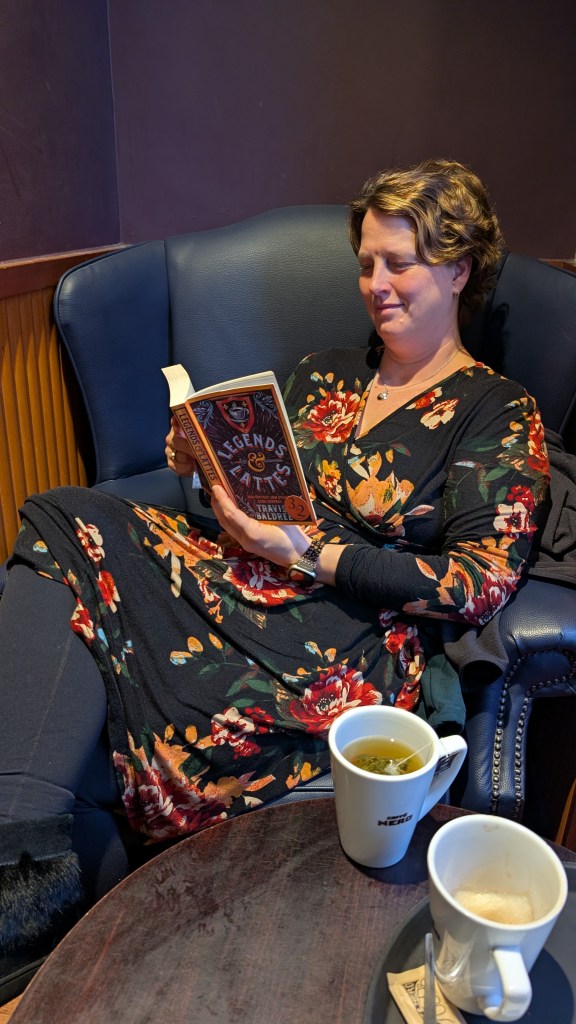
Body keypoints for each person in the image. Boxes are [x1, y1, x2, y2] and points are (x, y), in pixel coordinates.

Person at [0, 158, 550, 996]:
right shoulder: (323, 373)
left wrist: (311, 554)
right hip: (239, 571)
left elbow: (477, 582)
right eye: (366, 264)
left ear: (459, 267)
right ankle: (22, 845)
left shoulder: (496, 411)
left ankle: (31, 903)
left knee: (146, 668)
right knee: (65, 514)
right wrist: (201, 469)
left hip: (349, 622)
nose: (376, 284)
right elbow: (257, 481)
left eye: (398, 263)